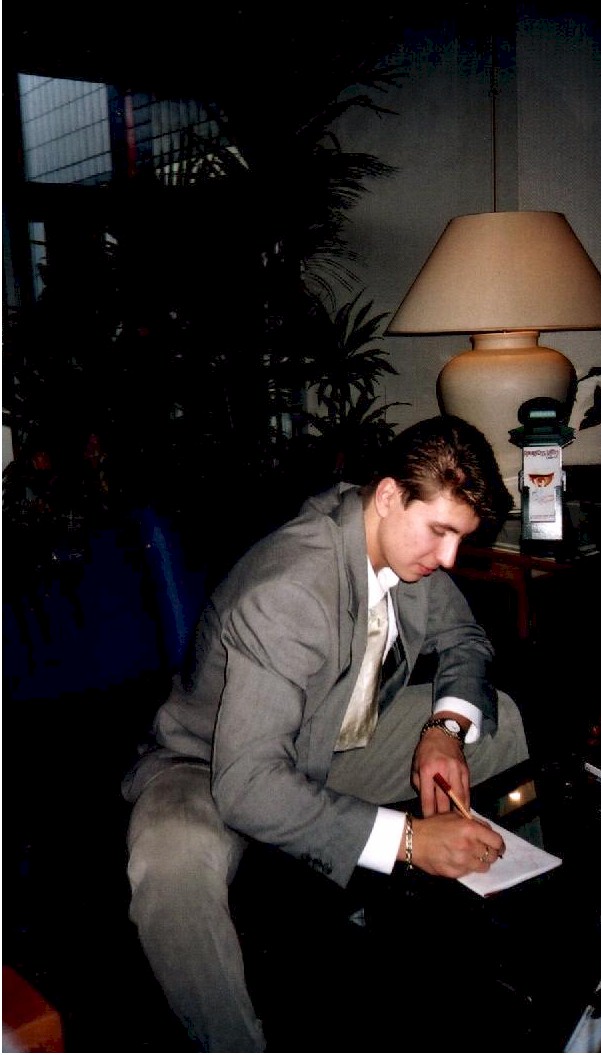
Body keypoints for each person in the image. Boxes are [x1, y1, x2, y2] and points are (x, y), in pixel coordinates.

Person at [122, 414, 530, 1052]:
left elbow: (466, 640)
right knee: (171, 868)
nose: (450, 558)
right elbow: (250, 785)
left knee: (496, 721)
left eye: (460, 537)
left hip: (331, 737)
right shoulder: (291, 588)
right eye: (441, 532)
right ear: (389, 495)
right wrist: (410, 841)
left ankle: (518, 945)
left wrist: (444, 728)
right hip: (210, 763)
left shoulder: (402, 551)